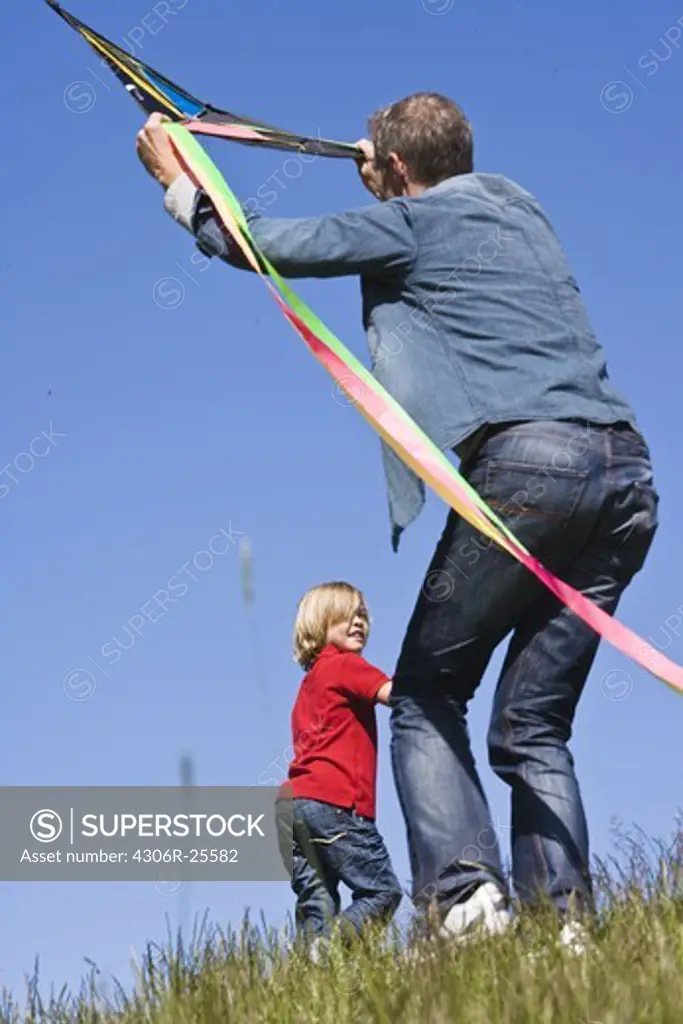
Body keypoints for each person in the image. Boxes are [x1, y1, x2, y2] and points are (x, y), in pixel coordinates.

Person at [136, 93, 659, 944]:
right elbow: (436, 222)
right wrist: (393, 167)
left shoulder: (412, 224)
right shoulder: (518, 206)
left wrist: (181, 185)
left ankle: (465, 901)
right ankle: (564, 923)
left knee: (421, 692)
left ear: (397, 168)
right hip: (625, 478)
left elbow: (265, 246)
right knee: (533, 724)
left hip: (530, 467)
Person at [273, 581, 401, 941]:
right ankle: (327, 952)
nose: (358, 622)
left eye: (361, 614)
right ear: (320, 625)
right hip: (335, 804)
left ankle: (311, 978)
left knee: (318, 903)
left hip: (291, 808)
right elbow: (396, 695)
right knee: (381, 893)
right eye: (345, 616)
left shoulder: (308, 687)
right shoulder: (346, 665)